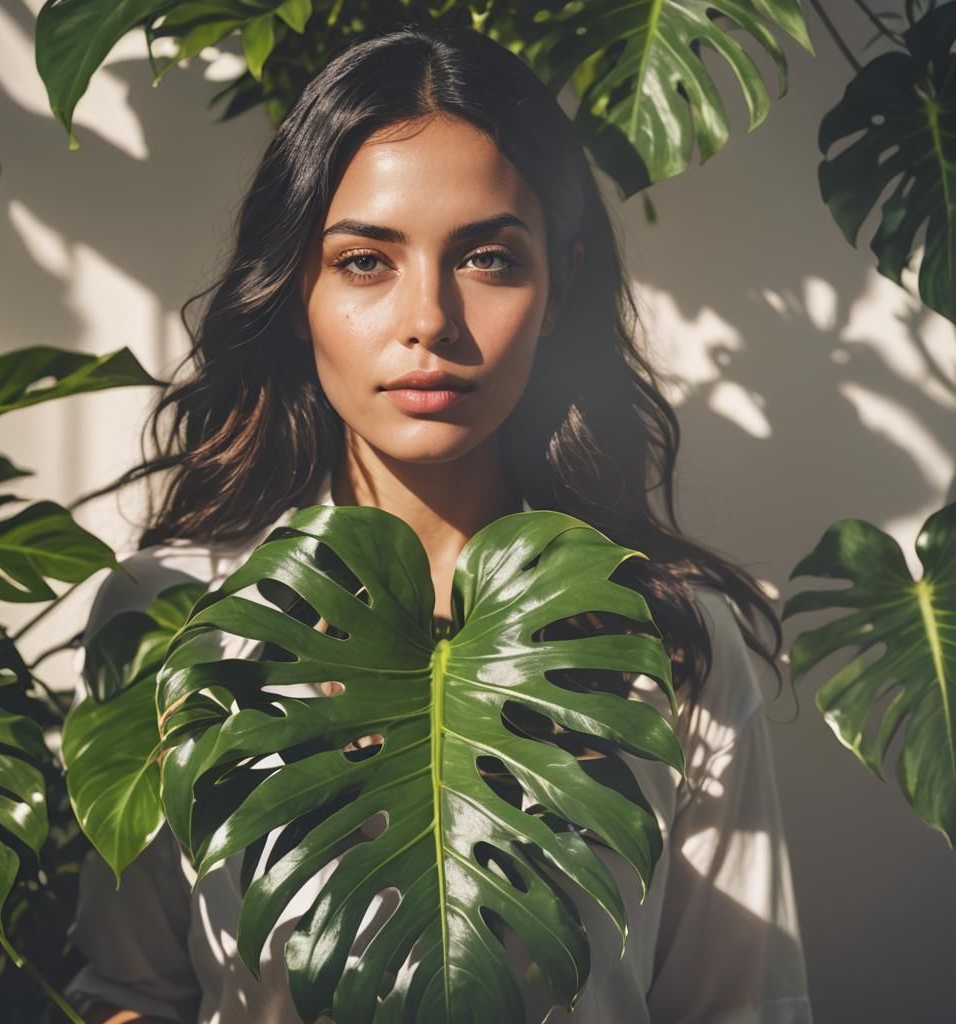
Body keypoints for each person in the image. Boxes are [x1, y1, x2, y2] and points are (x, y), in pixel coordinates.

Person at [64, 23, 812, 1024]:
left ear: (556, 288)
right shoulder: (176, 615)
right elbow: (129, 990)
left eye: (487, 258)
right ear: (296, 291)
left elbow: (743, 1008)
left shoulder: (666, 637)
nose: (429, 320)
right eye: (366, 261)